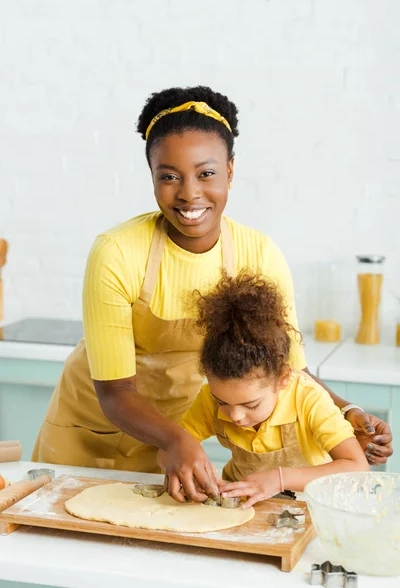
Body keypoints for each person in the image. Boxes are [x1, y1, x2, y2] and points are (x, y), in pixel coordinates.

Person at [32, 85, 392, 503]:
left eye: (206, 173)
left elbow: (289, 370)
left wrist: (348, 415)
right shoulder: (116, 253)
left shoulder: (259, 255)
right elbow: (116, 392)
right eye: (169, 176)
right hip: (95, 429)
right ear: (151, 177)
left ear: (231, 172)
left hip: (189, 430)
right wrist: (176, 441)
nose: (189, 194)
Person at [169, 271, 368, 507]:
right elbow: (170, 448)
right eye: (222, 403)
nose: (235, 416)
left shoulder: (308, 399)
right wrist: (188, 466)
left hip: (308, 507)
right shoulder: (210, 399)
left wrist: (279, 479)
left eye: (251, 404)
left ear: (283, 378)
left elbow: (357, 468)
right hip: (244, 505)